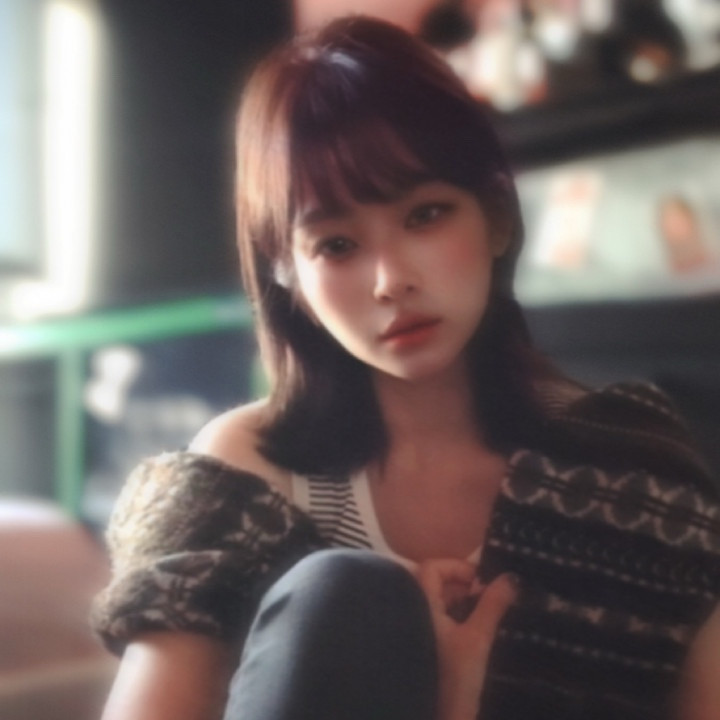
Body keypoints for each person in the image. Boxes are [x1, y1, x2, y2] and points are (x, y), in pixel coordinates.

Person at [92, 15, 720, 720]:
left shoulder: (634, 476)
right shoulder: (243, 480)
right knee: (344, 593)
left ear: (495, 217)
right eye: (336, 245)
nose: (391, 280)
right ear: (287, 274)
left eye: (426, 215)